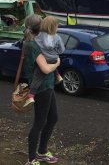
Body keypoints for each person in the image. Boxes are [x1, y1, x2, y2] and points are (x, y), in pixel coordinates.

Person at [23, 14, 60, 165]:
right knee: (39, 122)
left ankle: (42, 151)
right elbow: (45, 69)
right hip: (41, 88)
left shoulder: (38, 42)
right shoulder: (33, 44)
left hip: (48, 85)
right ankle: (32, 158)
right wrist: (57, 63)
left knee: (52, 118)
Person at [24, 16, 65, 107]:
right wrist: (57, 60)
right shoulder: (56, 37)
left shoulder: (33, 40)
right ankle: (57, 76)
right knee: (43, 119)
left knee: (37, 78)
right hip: (44, 85)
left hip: (47, 84)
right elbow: (46, 69)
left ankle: (31, 96)